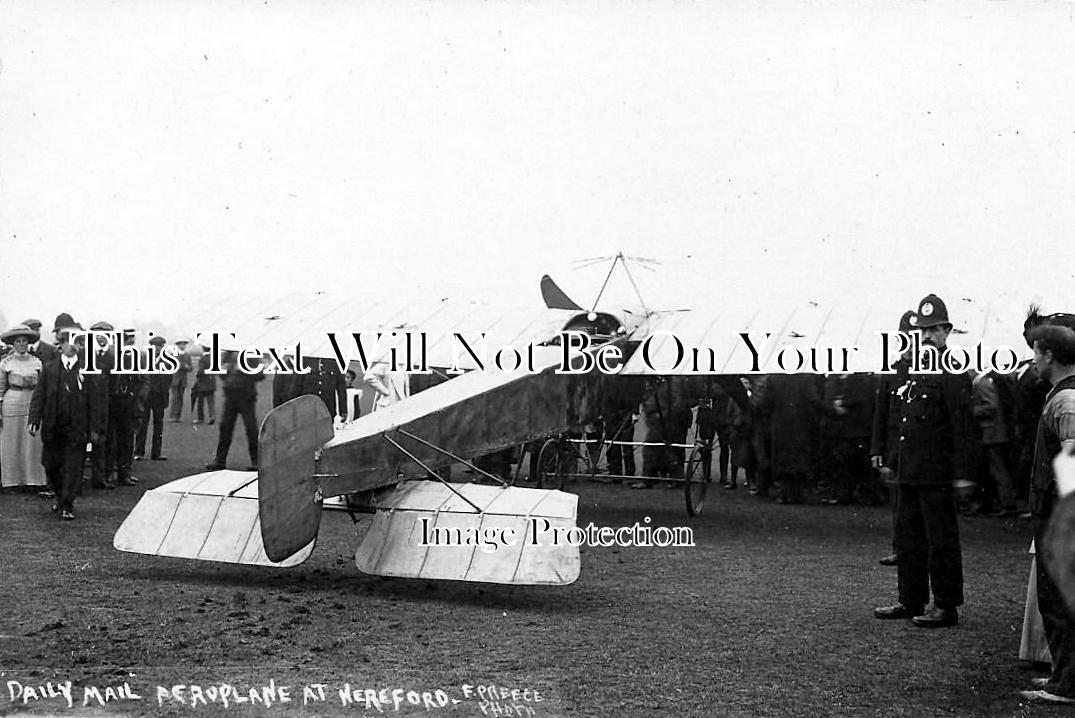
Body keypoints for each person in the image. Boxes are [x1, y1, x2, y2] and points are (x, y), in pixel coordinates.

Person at [874, 294, 973, 628]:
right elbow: (902, 422)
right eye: (922, 331)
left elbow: (961, 426)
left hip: (937, 472)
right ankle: (910, 599)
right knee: (908, 538)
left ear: (947, 331)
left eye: (934, 330)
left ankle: (945, 605)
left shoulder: (953, 371)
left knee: (940, 540)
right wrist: (891, 460)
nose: (927, 336)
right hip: (909, 470)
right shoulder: (911, 371)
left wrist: (962, 473)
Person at [1019, 323, 1075, 703]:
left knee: (1058, 602)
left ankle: (1066, 686)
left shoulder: (1065, 401)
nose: (1033, 360)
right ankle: (1063, 675)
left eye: (1036, 353)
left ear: (1049, 355)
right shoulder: (1062, 395)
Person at [28, 322, 104, 520]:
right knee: (51, 464)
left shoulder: (88, 370)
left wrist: (95, 428)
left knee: (73, 466)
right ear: (60, 345)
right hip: (54, 425)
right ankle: (61, 496)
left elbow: (95, 401)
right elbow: (39, 396)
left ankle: (67, 504)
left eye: (75, 343)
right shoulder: (50, 368)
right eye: (67, 343)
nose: (71, 347)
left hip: (77, 427)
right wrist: (33, 419)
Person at [870, 310, 916, 566]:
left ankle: (914, 550)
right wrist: (877, 449)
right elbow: (881, 412)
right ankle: (901, 549)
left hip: (919, 449)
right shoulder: (892, 369)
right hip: (894, 448)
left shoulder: (931, 369)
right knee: (898, 503)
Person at [0, 325, 47, 490]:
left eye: (24, 341)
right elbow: (0, 389)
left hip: (32, 402)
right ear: (13, 344)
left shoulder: (36, 362)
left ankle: (33, 479)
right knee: (12, 441)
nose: (21, 344)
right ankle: (11, 480)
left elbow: (42, 387)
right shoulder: (6, 363)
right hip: (12, 403)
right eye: (18, 341)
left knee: (32, 441)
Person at [205, 350, 264, 471]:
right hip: (230, 395)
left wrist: (244, 370)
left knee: (251, 429)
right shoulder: (228, 354)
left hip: (246, 396)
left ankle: (256, 462)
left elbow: (260, 375)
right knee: (225, 427)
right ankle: (220, 460)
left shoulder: (251, 354)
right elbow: (222, 375)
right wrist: (224, 370)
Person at [135, 335, 171, 460]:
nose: (157, 349)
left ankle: (157, 453)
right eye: (154, 346)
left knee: (158, 425)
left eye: (159, 346)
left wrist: (166, 397)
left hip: (159, 396)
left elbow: (168, 381)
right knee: (142, 424)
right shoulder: (144, 360)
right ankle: (138, 452)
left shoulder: (167, 361)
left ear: (162, 347)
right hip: (146, 396)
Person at [168, 339, 191, 422]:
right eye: (181, 344)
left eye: (184, 344)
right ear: (178, 345)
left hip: (183, 380)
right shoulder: (173, 355)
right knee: (175, 398)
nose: (183, 346)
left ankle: (178, 416)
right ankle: (172, 416)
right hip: (175, 380)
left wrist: (187, 367)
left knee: (181, 398)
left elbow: (190, 368)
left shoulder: (187, 355)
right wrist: (184, 366)